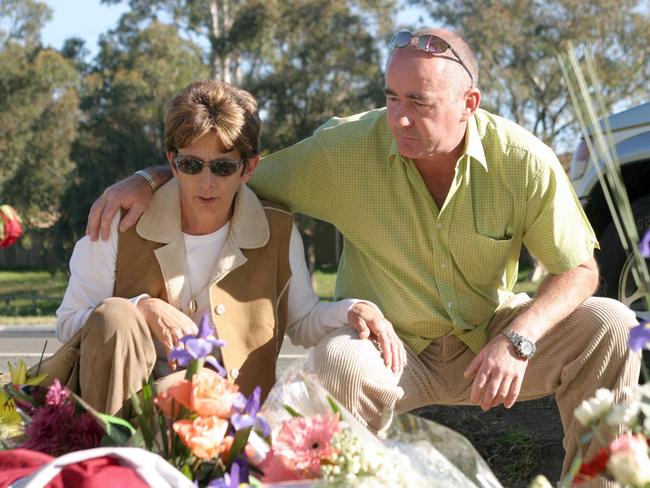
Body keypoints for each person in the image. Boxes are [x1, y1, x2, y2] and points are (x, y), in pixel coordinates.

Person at [86, 29, 640, 482]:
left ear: (469, 104)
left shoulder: (524, 161)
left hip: (491, 340)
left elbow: (580, 269)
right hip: (388, 347)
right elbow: (230, 169)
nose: (398, 117)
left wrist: (519, 339)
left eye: (419, 102)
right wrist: (151, 175)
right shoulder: (345, 149)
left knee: (612, 322)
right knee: (338, 361)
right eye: (391, 97)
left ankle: (602, 481)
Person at [46, 79, 404, 417]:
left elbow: (304, 321)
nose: (206, 183)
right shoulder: (120, 222)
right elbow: (70, 323)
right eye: (190, 165)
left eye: (222, 167)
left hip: (225, 423)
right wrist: (143, 307)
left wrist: (353, 309)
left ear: (248, 168)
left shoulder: (276, 230)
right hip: (119, 410)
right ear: (172, 162)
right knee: (116, 316)